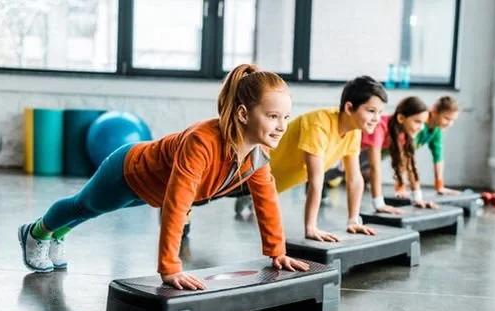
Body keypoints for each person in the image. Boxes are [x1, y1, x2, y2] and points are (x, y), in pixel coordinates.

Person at [18, 64, 309, 290]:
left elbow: (266, 202)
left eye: (286, 117)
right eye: (273, 116)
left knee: (94, 210)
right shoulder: (202, 141)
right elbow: (177, 204)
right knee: (83, 206)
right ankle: (36, 232)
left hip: (150, 191)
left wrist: (277, 253)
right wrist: (170, 267)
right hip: (128, 171)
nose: (282, 126)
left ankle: (59, 233)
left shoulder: (256, 157)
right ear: (244, 113)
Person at [234, 76, 388, 242]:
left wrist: (353, 220)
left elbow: (355, 178)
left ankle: (249, 197)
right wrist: (311, 227)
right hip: (245, 172)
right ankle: (246, 196)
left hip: (268, 184)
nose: (377, 118)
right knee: (204, 195)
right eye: (371, 111)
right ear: (350, 108)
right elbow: (315, 180)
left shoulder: (353, 132)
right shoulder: (318, 124)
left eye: (380, 112)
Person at [361, 96, 438, 213]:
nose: (421, 128)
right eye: (417, 122)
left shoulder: (404, 133)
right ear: (401, 118)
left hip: (360, 152)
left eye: (423, 123)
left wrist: (417, 199)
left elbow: (410, 165)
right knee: (335, 172)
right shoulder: (379, 127)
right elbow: (375, 167)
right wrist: (379, 204)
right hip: (347, 150)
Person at [394, 96, 460, 198]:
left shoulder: (436, 130)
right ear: (434, 111)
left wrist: (439, 185)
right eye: (447, 118)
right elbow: (404, 157)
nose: (449, 124)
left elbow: (438, 158)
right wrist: (400, 187)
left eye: (453, 120)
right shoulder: (418, 123)